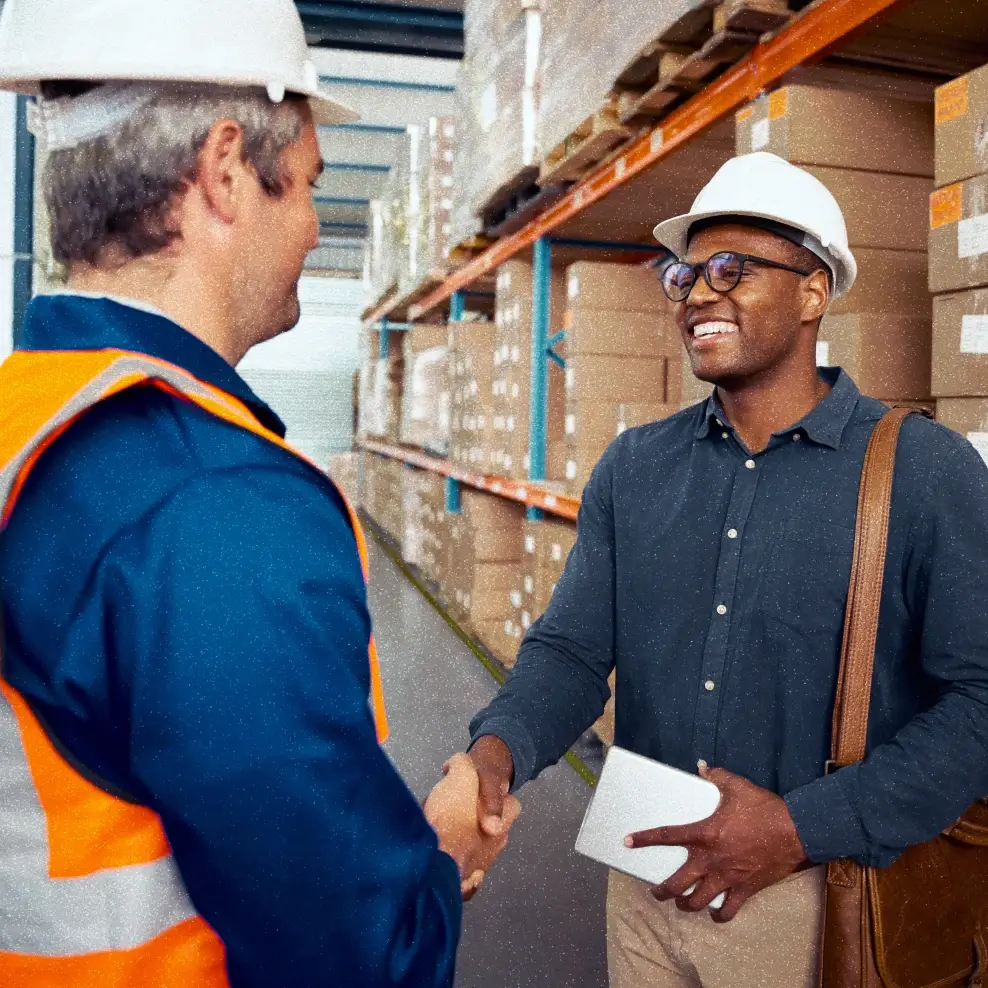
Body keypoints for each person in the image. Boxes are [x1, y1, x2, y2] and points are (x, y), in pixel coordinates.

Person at [0, 1, 518, 985]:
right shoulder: (209, 503)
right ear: (226, 170)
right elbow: (352, 955)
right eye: (314, 186)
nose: (320, 226)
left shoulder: (23, 416)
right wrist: (443, 854)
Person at [455, 152, 988, 986]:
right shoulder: (635, 469)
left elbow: (980, 705)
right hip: (641, 882)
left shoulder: (923, 472)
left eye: (732, 270)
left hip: (813, 900)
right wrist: (493, 756)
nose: (700, 293)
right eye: (687, 274)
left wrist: (800, 828)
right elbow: (569, 653)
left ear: (814, 291)